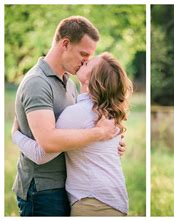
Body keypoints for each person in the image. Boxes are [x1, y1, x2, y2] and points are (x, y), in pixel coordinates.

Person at [11, 16, 124, 216]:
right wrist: (98, 134)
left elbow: (77, 131)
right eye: (84, 54)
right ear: (65, 44)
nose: (86, 61)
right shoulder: (37, 82)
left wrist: (109, 143)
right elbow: (47, 143)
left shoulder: (69, 84)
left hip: (67, 188)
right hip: (43, 190)